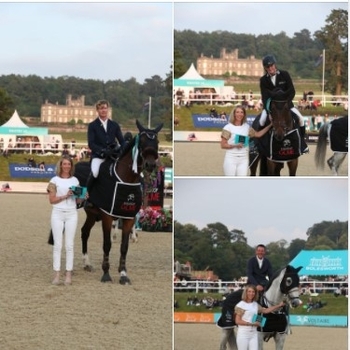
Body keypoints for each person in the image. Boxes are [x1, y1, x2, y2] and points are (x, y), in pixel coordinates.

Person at [259, 54, 309, 153]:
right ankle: (260, 144)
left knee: (301, 119)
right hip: (272, 107)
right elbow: (264, 97)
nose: (270, 68)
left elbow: (292, 91)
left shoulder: (284, 74)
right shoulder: (263, 80)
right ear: (265, 68)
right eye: (268, 67)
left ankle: (302, 144)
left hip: (286, 105)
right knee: (261, 121)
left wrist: (287, 103)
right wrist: (268, 111)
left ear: (275, 65)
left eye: (272, 65)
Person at [47, 156, 83, 285]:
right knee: (58, 245)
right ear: (61, 165)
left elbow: (78, 200)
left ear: (71, 166)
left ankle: (68, 273)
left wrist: (83, 197)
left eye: (69, 164)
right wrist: (65, 196)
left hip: (72, 213)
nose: (67, 166)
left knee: (69, 245)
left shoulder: (75, 180)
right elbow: (52, 200)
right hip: (57, 213)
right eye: (65, 164)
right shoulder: (54, 180)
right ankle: (56, 273)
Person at [86, 99, 125, 200]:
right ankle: (88, 195)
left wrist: (125, 150)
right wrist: (102, 151)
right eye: (101, 108)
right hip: (99, 156)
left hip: (112, 155)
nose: (103, 110)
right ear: (97, 110)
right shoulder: (92, 125)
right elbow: (91, 143)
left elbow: (122, 141)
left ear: (108, 109)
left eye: (105, 108)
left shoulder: (114, 125)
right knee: (95, 172)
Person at [221, 106, 272, 176]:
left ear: (244, 115)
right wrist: (234, 145)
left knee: (242, 181)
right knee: (230, 181)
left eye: (242, 112)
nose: (239, 114)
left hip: (244, 159)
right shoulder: (228, 127)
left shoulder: (247, 127)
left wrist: (270, 125)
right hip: (231, 158)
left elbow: (258, 134)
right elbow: (223, 145)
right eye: (237, 112)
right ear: (234, 114)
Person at [235, 284, 285, 350]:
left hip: (254, 334)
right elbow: (237, 321)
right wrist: (252, 324)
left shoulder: (255, 305)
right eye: (249, 291)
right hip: (243, 334)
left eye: (253, 292)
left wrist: (278, 305)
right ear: (246, 292)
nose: (251, 293)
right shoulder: (241, 305)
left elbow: (265, 311)